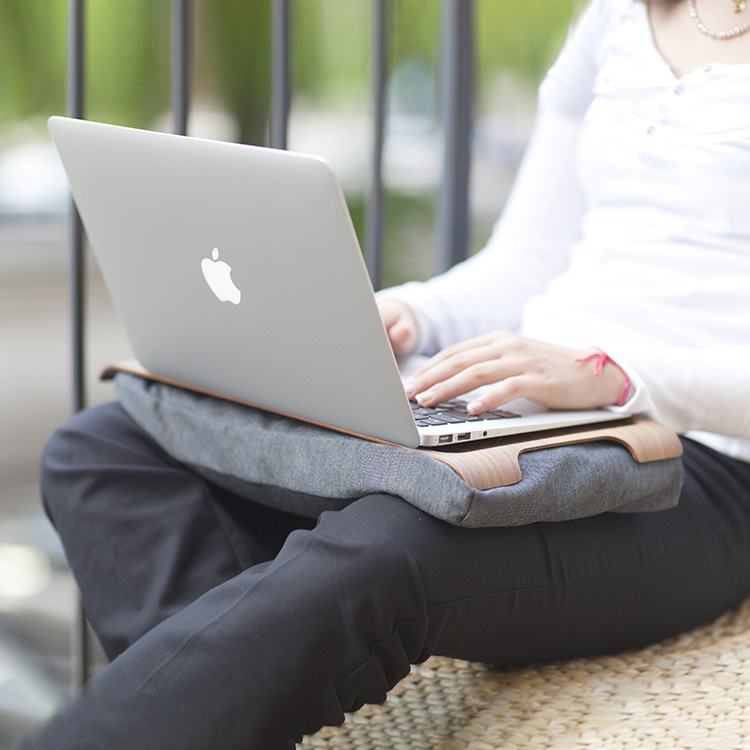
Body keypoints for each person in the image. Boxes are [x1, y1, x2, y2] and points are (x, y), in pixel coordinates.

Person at [23, 0, 750, 747]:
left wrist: (623, 377)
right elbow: (524, 260)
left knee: (387, 544)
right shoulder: (615, 18)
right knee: (103, 449)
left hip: (694, 466)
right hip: (519, 408)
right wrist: (406, 312)